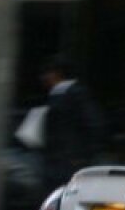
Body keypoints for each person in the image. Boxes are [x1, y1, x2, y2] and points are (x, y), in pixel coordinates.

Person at [39, 53, 106, 194]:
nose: (45, 78)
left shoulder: (75, 94)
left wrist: (81, 157)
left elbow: (94, 124)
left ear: (57, 73)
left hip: (67, 162)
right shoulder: (60, 94)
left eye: (48, 73)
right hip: (61, 160)